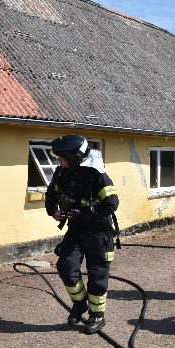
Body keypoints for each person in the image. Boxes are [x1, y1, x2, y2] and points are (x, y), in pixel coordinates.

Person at [45, 134, 119, 334]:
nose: (59, 162)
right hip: (76, 230)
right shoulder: (62, 172)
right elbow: (51, 194)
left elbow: (112, 203)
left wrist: (87, 213)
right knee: (66, 266)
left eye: (62, 158)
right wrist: (53, 211)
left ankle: (97, 316)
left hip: (98, 232)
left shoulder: (97, 173)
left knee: (97, 274)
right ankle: (80, 304)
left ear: (75, 157)